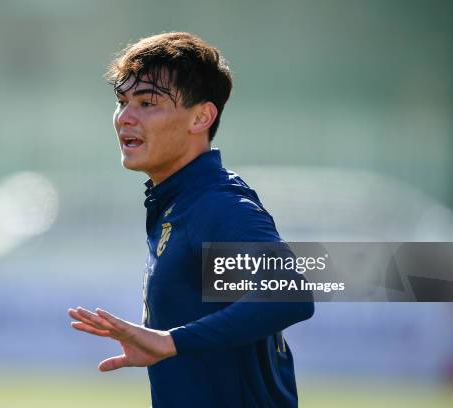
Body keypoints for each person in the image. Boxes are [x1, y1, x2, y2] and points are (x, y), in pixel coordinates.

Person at [68, 32, 314, 408]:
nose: (125, 118)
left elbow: (287, 293)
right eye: (122, 101)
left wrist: (169, 342)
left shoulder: (216, 204)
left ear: (201, 117)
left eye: (147, 102)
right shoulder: (177, 201)